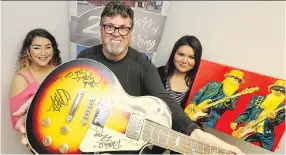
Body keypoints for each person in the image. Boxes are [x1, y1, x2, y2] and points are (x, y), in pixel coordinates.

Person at [13, 2, 243, 154]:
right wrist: (37, 104)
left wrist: (202, 136)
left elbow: (167, 102)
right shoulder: (86, 58)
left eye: (123, 28)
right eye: (110, 27)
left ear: (131, 31)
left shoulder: (142, 63)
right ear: (101, 29)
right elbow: (64, 90)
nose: (116, 33)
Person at [9, 28, 62, 143]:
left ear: (53, 50)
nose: (43, 53)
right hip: (42, 140)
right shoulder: (21, 79)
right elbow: (18, 120)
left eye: (48, 47)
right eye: (37, 48)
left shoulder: (60, 72)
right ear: (28, 51)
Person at [153, 35, 202, 154]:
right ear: (173, 54)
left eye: (191, 57)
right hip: (154, 132)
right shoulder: (158, 73)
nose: (184, 61)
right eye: (180, 54)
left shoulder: (199, 85)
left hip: (183, 138)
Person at [230, 80, 285, 151]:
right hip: (249, 128)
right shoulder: (257, 99)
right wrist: (236, 122)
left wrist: (273, 118)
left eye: (283, 91)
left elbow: (278, 122)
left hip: (266, 133)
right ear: (272, 89)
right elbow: (247, 113)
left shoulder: (283, 107)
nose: (278, 92)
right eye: (276, 89)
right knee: (238, 148)